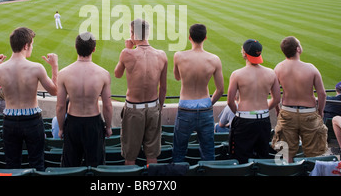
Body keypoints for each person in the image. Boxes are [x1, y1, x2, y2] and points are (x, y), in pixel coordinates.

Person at [0, 27, 58, 171]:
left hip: (10, 121)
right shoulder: (37, 67)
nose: (32, 47)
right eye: (32, 44)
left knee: (12, 165)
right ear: (26, 45)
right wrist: (54, 66)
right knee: (37, 163)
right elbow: (54, 91)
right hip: (32, 120)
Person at [114, 19, 167, 165]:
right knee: (152, 155)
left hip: (133, 109)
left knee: (130, 156)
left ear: (132, 34)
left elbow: (117, 74)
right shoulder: (161, 55)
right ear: (148, 33)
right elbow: (163, 88)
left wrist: (128, 49)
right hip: (153, 108)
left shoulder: (126, 53)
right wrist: (159, 108)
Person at [56, 32, 112, 167]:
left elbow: (60, 106)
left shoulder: (63, 73)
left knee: (70, 166)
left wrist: (61, 128)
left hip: (73, 122)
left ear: (76, 47)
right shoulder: (103, 74)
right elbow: (107, 105)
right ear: (94, 49)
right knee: (95, 165)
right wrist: (109, 127)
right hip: (93, 123)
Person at [172, 23, 224, 162]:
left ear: (189, 37)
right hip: (205, 107)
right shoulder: (214, 59)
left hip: (185, 108)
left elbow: (177, 77)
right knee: (208, 152)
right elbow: (220, 90)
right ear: (205, 38)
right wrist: (209, 103)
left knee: (179, 151)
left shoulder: (179, 56)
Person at [272, 36, 328, 162]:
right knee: (313, 153)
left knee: (287, 153)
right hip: (309, 113)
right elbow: (322, 94)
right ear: (298, 49)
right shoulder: (311, 68)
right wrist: (321, 110)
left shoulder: (278, 68)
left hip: (287, 112)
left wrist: (277, 110)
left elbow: (275, 95)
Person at [227, 39, 281, 164]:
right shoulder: (271, 73)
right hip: (263, 120)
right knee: (262, 157)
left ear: (244, 53)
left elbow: (230, 101)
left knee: (241, 158)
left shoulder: (237, 74)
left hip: (244, 120)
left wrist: (239, 112)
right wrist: (264, 110)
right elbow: (277, 99)